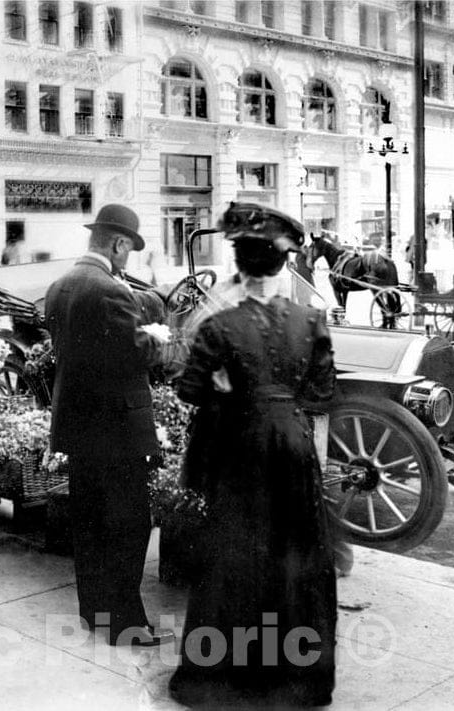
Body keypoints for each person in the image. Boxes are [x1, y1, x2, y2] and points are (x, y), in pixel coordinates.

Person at [168, 202, 338, 708]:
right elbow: (321, 395)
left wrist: (228, 387)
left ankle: (221, 677)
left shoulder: (221, 325)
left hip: (240, 446)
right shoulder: (312, 319)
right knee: (297, 555)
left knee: (234, 553)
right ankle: (298, 680)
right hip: (293, 445)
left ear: (239, 266)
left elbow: (190, 391)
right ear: (284, 264)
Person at [44, 204, 172, 647]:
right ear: (118, 244)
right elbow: (136, 353)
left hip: (78, 427)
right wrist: (158, 338)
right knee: (128, 525)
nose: (127, 259)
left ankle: (93, 611)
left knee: (90, 521)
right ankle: (125, 623)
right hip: (118, 428)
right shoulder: (111, 291)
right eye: (128, 250)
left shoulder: (60, 286)